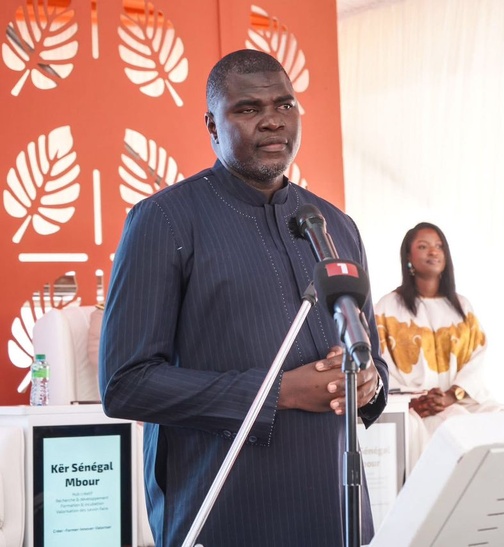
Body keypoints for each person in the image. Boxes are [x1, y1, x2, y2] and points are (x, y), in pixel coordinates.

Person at [99, 49, 387, 547]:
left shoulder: (336, 225)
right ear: (212, 125)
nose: (273, 120)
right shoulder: (164, 220)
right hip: (226, 516)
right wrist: (279, 392)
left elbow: (373, 362)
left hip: (338, 517)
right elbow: (126, 383)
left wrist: (366, 382)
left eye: (285, 105)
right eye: (249, 108)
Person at [374, 222, 500, 471]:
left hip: (457, 399)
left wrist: (452, 395)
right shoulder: (388, 307)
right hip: (412, 407)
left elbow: (477, 356)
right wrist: (413, 402)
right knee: (448, 431)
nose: (433, 252)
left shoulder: (462, 307)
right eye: (423, 246)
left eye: (439, 246)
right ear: (408, 256)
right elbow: (379, 362)